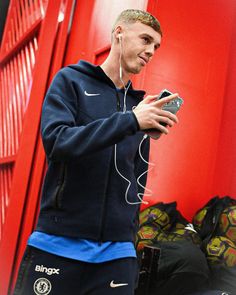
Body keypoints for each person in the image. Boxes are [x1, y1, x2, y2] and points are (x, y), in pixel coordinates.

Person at [14, 9, 179, 295]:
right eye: (145, 39)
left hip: (117, 256)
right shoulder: (70, 81)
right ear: (119, 33)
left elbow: (136, 178)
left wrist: (129, 237)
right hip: (58, 243)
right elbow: (56, 142)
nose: (151, 51)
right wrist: (130, 121)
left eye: (156, 46)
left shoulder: (139, 107)